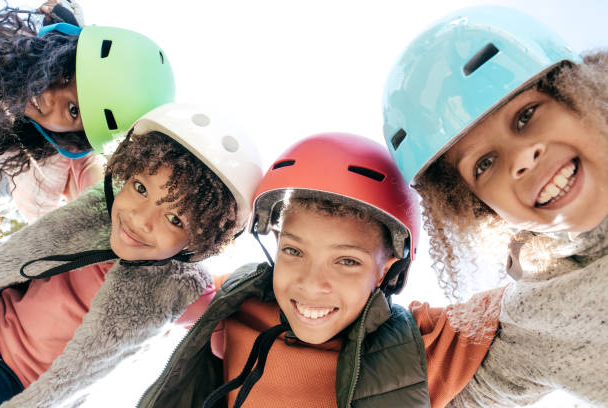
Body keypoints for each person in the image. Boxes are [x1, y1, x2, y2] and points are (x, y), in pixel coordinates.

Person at [137, 133, 505, 408]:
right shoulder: (235, 298)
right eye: (294, 251)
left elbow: (538, 311)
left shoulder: (417, 343)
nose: (312, 284)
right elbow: (146, 281)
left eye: (347, 261)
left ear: (386, 272)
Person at [382, 5, 608, 406]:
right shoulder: (538, 317)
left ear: (579, 92)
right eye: (484, 164)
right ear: (482, 208)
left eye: (526, 115)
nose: (521, 159)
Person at [0, 103, 263, 407]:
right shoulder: (99, 207)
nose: (140, 220)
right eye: (140, 188)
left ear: (198, 242)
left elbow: (225, 328)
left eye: (175, 219)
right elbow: (82, 157)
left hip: (18, 381)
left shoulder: (181, 290)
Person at [0, 5, 175, 222]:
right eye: (67, 74)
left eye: (73, 110)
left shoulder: (45, 170)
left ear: (75, 139)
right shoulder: (15, 49)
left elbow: (93, 182)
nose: (48, 95)